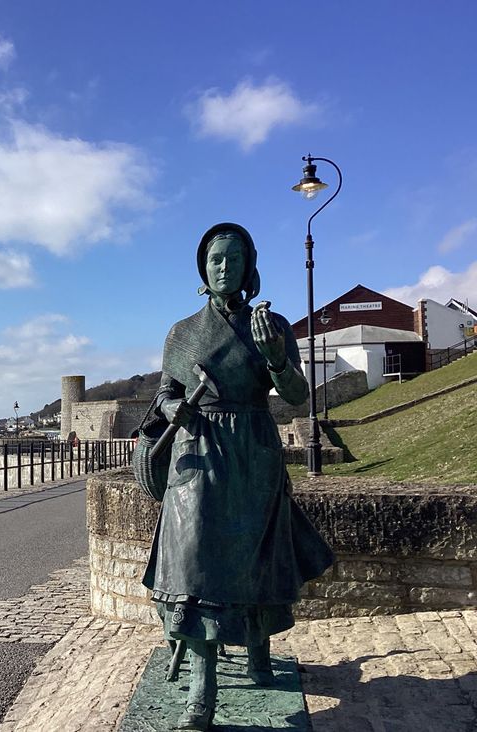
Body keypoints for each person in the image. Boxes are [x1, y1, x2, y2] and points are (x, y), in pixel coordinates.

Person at [144, 223, 334, 730]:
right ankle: (201, 689)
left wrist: (274, 357)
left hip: (252, 451)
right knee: (194, 563)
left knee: (256, 557)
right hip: (198, 452)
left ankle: (258, 650)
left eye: (233, 258)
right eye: (214, 260)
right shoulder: (182, 333)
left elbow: (295, 395)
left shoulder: (273, 325)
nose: (223, 267)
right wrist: (174, 407)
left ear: (249, 266)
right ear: (203, 270)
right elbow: (162, 395)